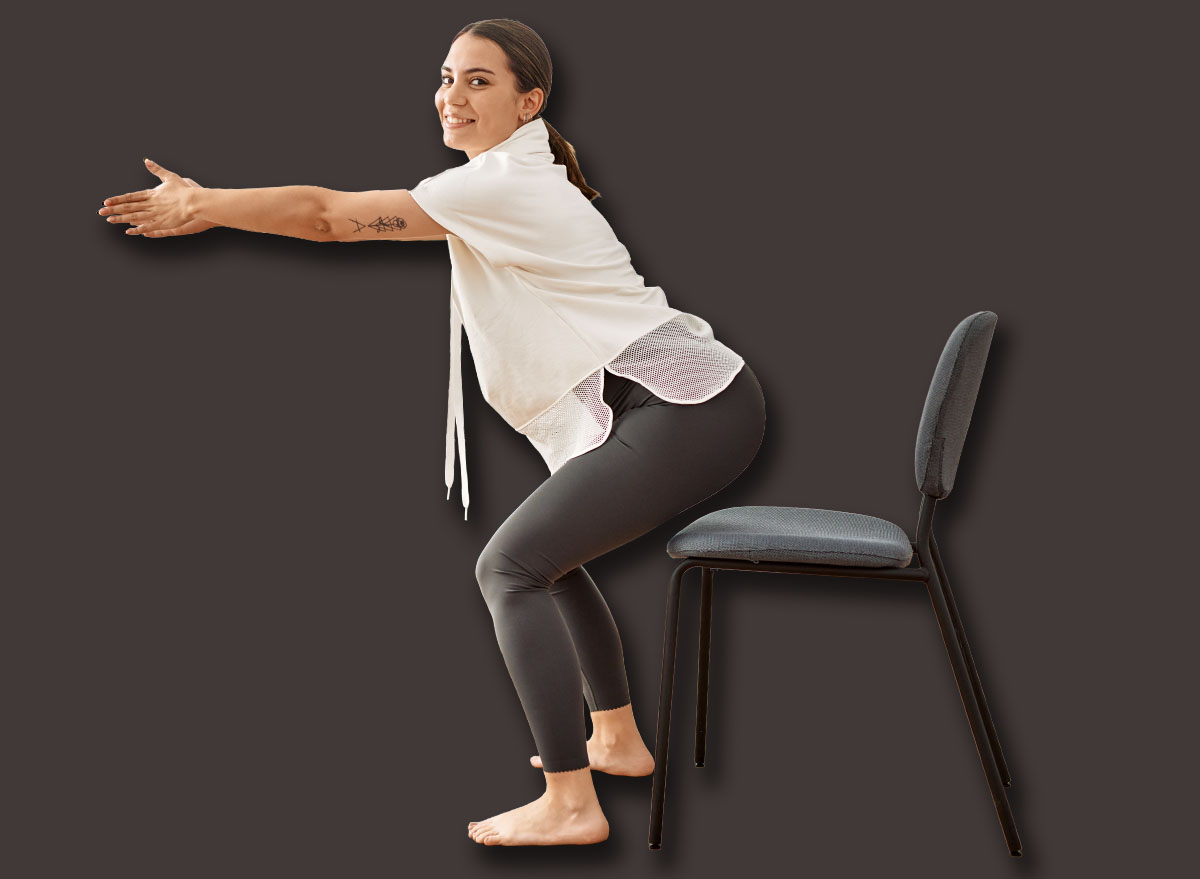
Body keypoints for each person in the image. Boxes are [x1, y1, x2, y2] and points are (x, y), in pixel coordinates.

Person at [97, 18, 766, 847]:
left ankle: (571, 802)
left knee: (511, 566)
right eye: (447, 77)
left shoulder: (503, 185)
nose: (453, 96)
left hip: (687, 406)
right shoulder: (507, 175)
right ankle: (616, 742)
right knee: (551, 562)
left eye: (479, 81)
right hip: (679, 404)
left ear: (530, 101)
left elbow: (327, 218)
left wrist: (207, 204)